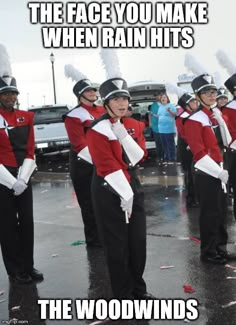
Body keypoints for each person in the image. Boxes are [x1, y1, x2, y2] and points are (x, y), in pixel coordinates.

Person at [86, 77, 154, 299]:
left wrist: (123, 135)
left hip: (131, 184)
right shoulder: (96, 129)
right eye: (116, 98)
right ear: (106, 103)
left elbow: (139, 157)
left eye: (124, 97)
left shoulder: (134, 125)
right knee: (117, 244)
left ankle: (138, 289)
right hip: (109, 188)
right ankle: (123, 294)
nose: (122, 102)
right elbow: (106, 165)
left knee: (137, 241)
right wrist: (125, 194)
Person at [183, 74, 233, 264]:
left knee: (221, 212)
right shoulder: (195, 119)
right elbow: (198, 153)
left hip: (221, 168)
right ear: (197, 95)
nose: (212, 96)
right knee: (209, 213)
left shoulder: (214, 115)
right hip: (207, 172)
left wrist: (221, 121)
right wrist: (219, 172)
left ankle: (221, 248)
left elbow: (227, 142)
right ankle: (208, 252)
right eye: (207, 93)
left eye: (213, 92)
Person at [0, 75, 43, 283]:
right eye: (5, 93)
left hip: (23, 175)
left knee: (27, 222)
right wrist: (11, 181)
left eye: (12, 93)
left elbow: (30, 149)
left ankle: (28, 265)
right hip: (2, 178)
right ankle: (14, 271)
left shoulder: (26, 116)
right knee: (7, 225)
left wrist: (23, 179)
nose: (10, 97)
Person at [63, 78, 105, 247]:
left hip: (103, 161)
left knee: (104, 201)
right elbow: (79, 144)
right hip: (84, 163)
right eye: (88, 91)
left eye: (94, 90)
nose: (93, 93)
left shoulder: (103, 110)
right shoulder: (73, 115)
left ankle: (105, 236)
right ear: (80, 95)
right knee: (88, 203)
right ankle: (94, 241)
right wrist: (101, 160)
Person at [175, 93, 199, 208]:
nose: (195, 103)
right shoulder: (182, 117)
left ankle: (195, 196)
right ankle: (191, 199)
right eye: (192, 102)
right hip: (186, 148)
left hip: (192, 146)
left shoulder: (193, 114)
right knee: (189, 174)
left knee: (194, 173)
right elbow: (184, 134)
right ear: (186, 105)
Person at [158, 93, 177, 163]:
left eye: (165, 97)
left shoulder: (171, 106)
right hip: (161, 129)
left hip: (169, 129)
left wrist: (169, 111)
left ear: (167, 99)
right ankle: (167, 157)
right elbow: (160, 116)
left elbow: (175, 115)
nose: (163, 98)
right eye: (162, 97)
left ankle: (172, 158)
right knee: (164, 144)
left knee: (170, 145)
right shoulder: (160, 107)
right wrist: (153, 115)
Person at [149, 93, 164, 162]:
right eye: (157, 96)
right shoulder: (153, 105)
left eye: (159, 95)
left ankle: (165, 156)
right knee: (158, 143)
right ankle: (160, 157)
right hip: (156, 127)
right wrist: (150, 124)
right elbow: (151, 115)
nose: (158, 97)